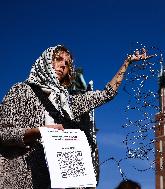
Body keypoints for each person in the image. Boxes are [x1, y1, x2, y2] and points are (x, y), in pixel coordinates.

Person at [0, 45, 152, 188]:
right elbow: (3, 134)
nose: (63, 65)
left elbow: (106, 94)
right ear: (45, 60)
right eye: (58, 59)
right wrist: (37, 132)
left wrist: (127, 63)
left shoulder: (67, 103)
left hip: (50, 182)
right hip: (20, 179)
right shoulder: (21, 90)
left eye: (67, 63)